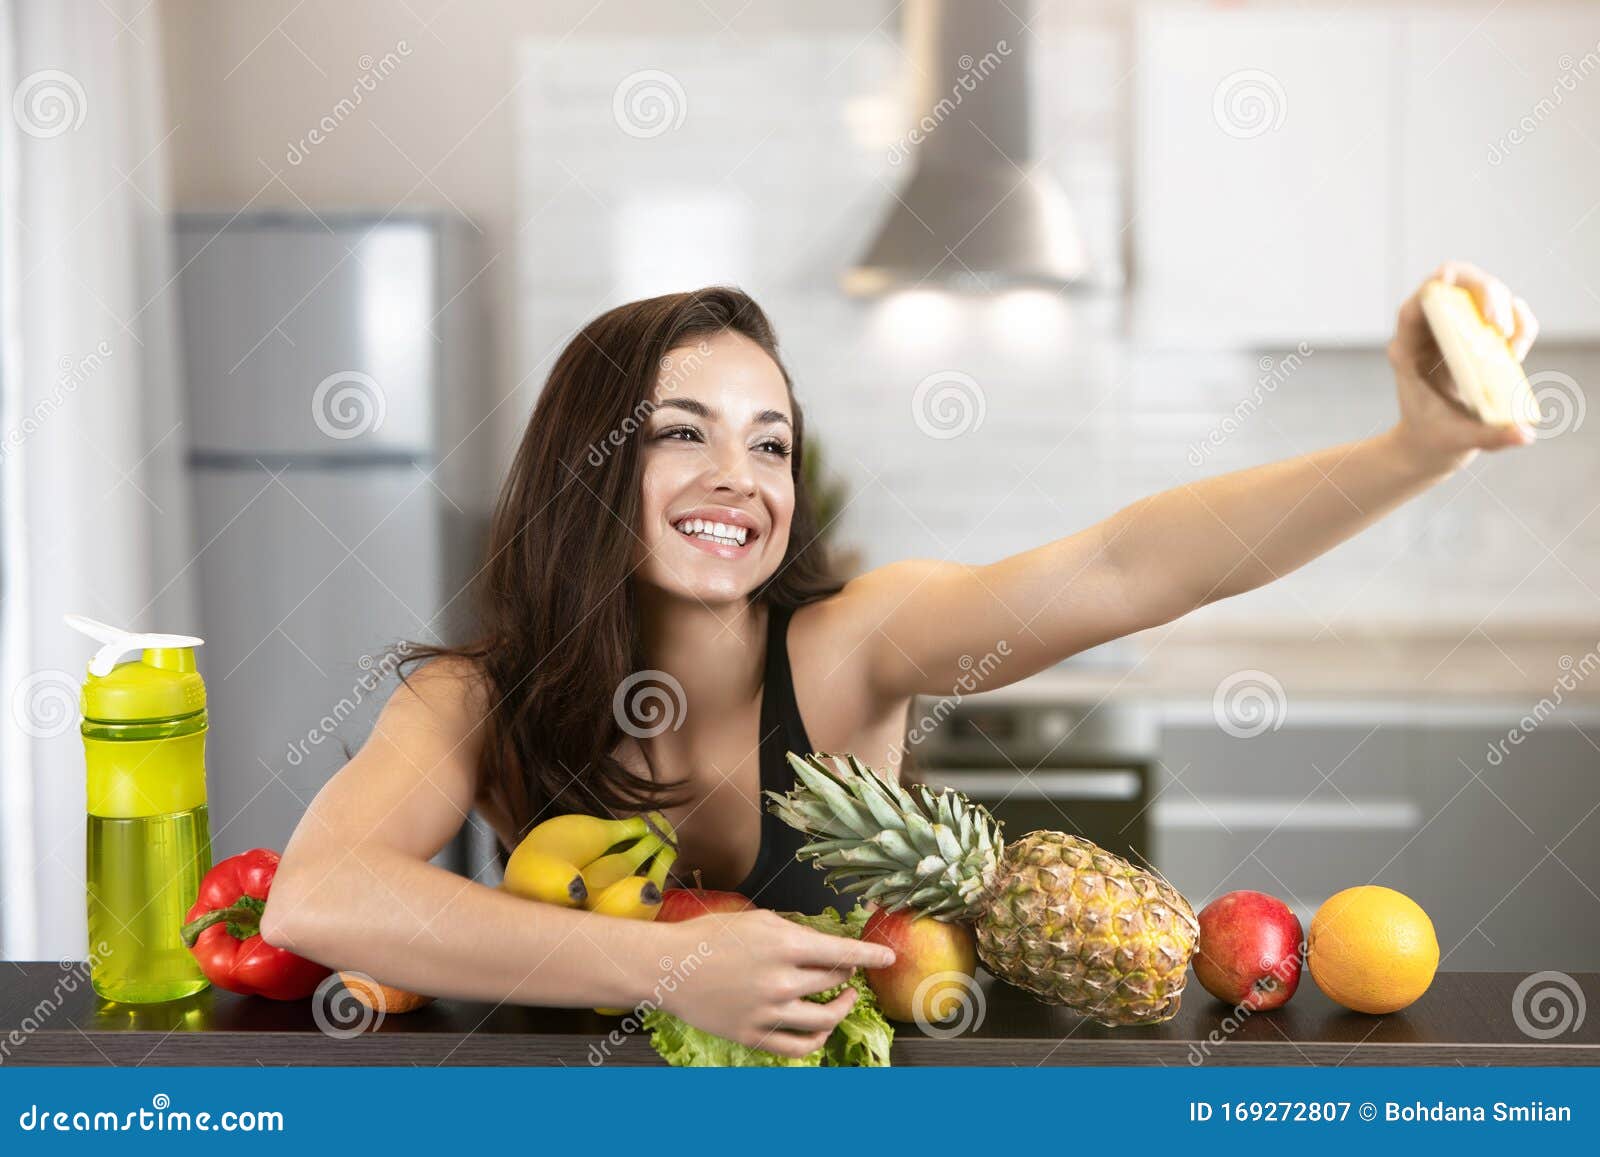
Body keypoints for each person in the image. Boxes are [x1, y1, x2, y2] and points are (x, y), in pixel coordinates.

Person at [261, 261, 1538, 1055]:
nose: (736, 477)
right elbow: (318, 895)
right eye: (681, 434)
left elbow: (1133, 563)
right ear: (585, 463)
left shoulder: (853, 644)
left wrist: (1414, 448)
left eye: (770, 443)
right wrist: (667, 965)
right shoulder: (476, 695)